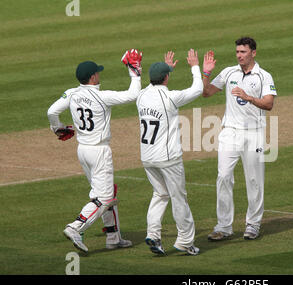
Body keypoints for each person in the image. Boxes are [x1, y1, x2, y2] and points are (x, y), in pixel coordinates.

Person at [47, 49, 143, 253]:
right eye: (97, 73)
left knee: (107, 192)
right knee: (105, 197)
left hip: (83, 150)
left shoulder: (72, 93)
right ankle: (75, 227)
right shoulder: (102, 96)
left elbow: (52, 111)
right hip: (99, 152)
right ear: (92, 77)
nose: (99, 75)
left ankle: (113, 237)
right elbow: (133, 95)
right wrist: (134, 71)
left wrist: (58, 129)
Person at [202, 37, 277, 241]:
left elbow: (269, 104)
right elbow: (206, 92)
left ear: (253, 53)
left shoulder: (264, 76)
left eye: (243, 52)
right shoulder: (229, 72)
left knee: (254, 180)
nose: (239, 55)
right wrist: (206, 73)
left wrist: (249, 97)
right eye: (237, 52)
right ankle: (223, 227)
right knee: (224, 176)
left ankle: (253, 224)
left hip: (253, 133)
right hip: (230, 131)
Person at [138, 49, 202, 256]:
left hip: (147, 157)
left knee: (160, 194)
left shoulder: (141, 96)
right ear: (166, 78)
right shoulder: (171, 98)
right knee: (178, 197)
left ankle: (153, 235)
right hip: (168, 158)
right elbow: (197, 89)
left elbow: (154, 87)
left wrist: (166, 71)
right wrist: (194, 66)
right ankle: (185, 240)